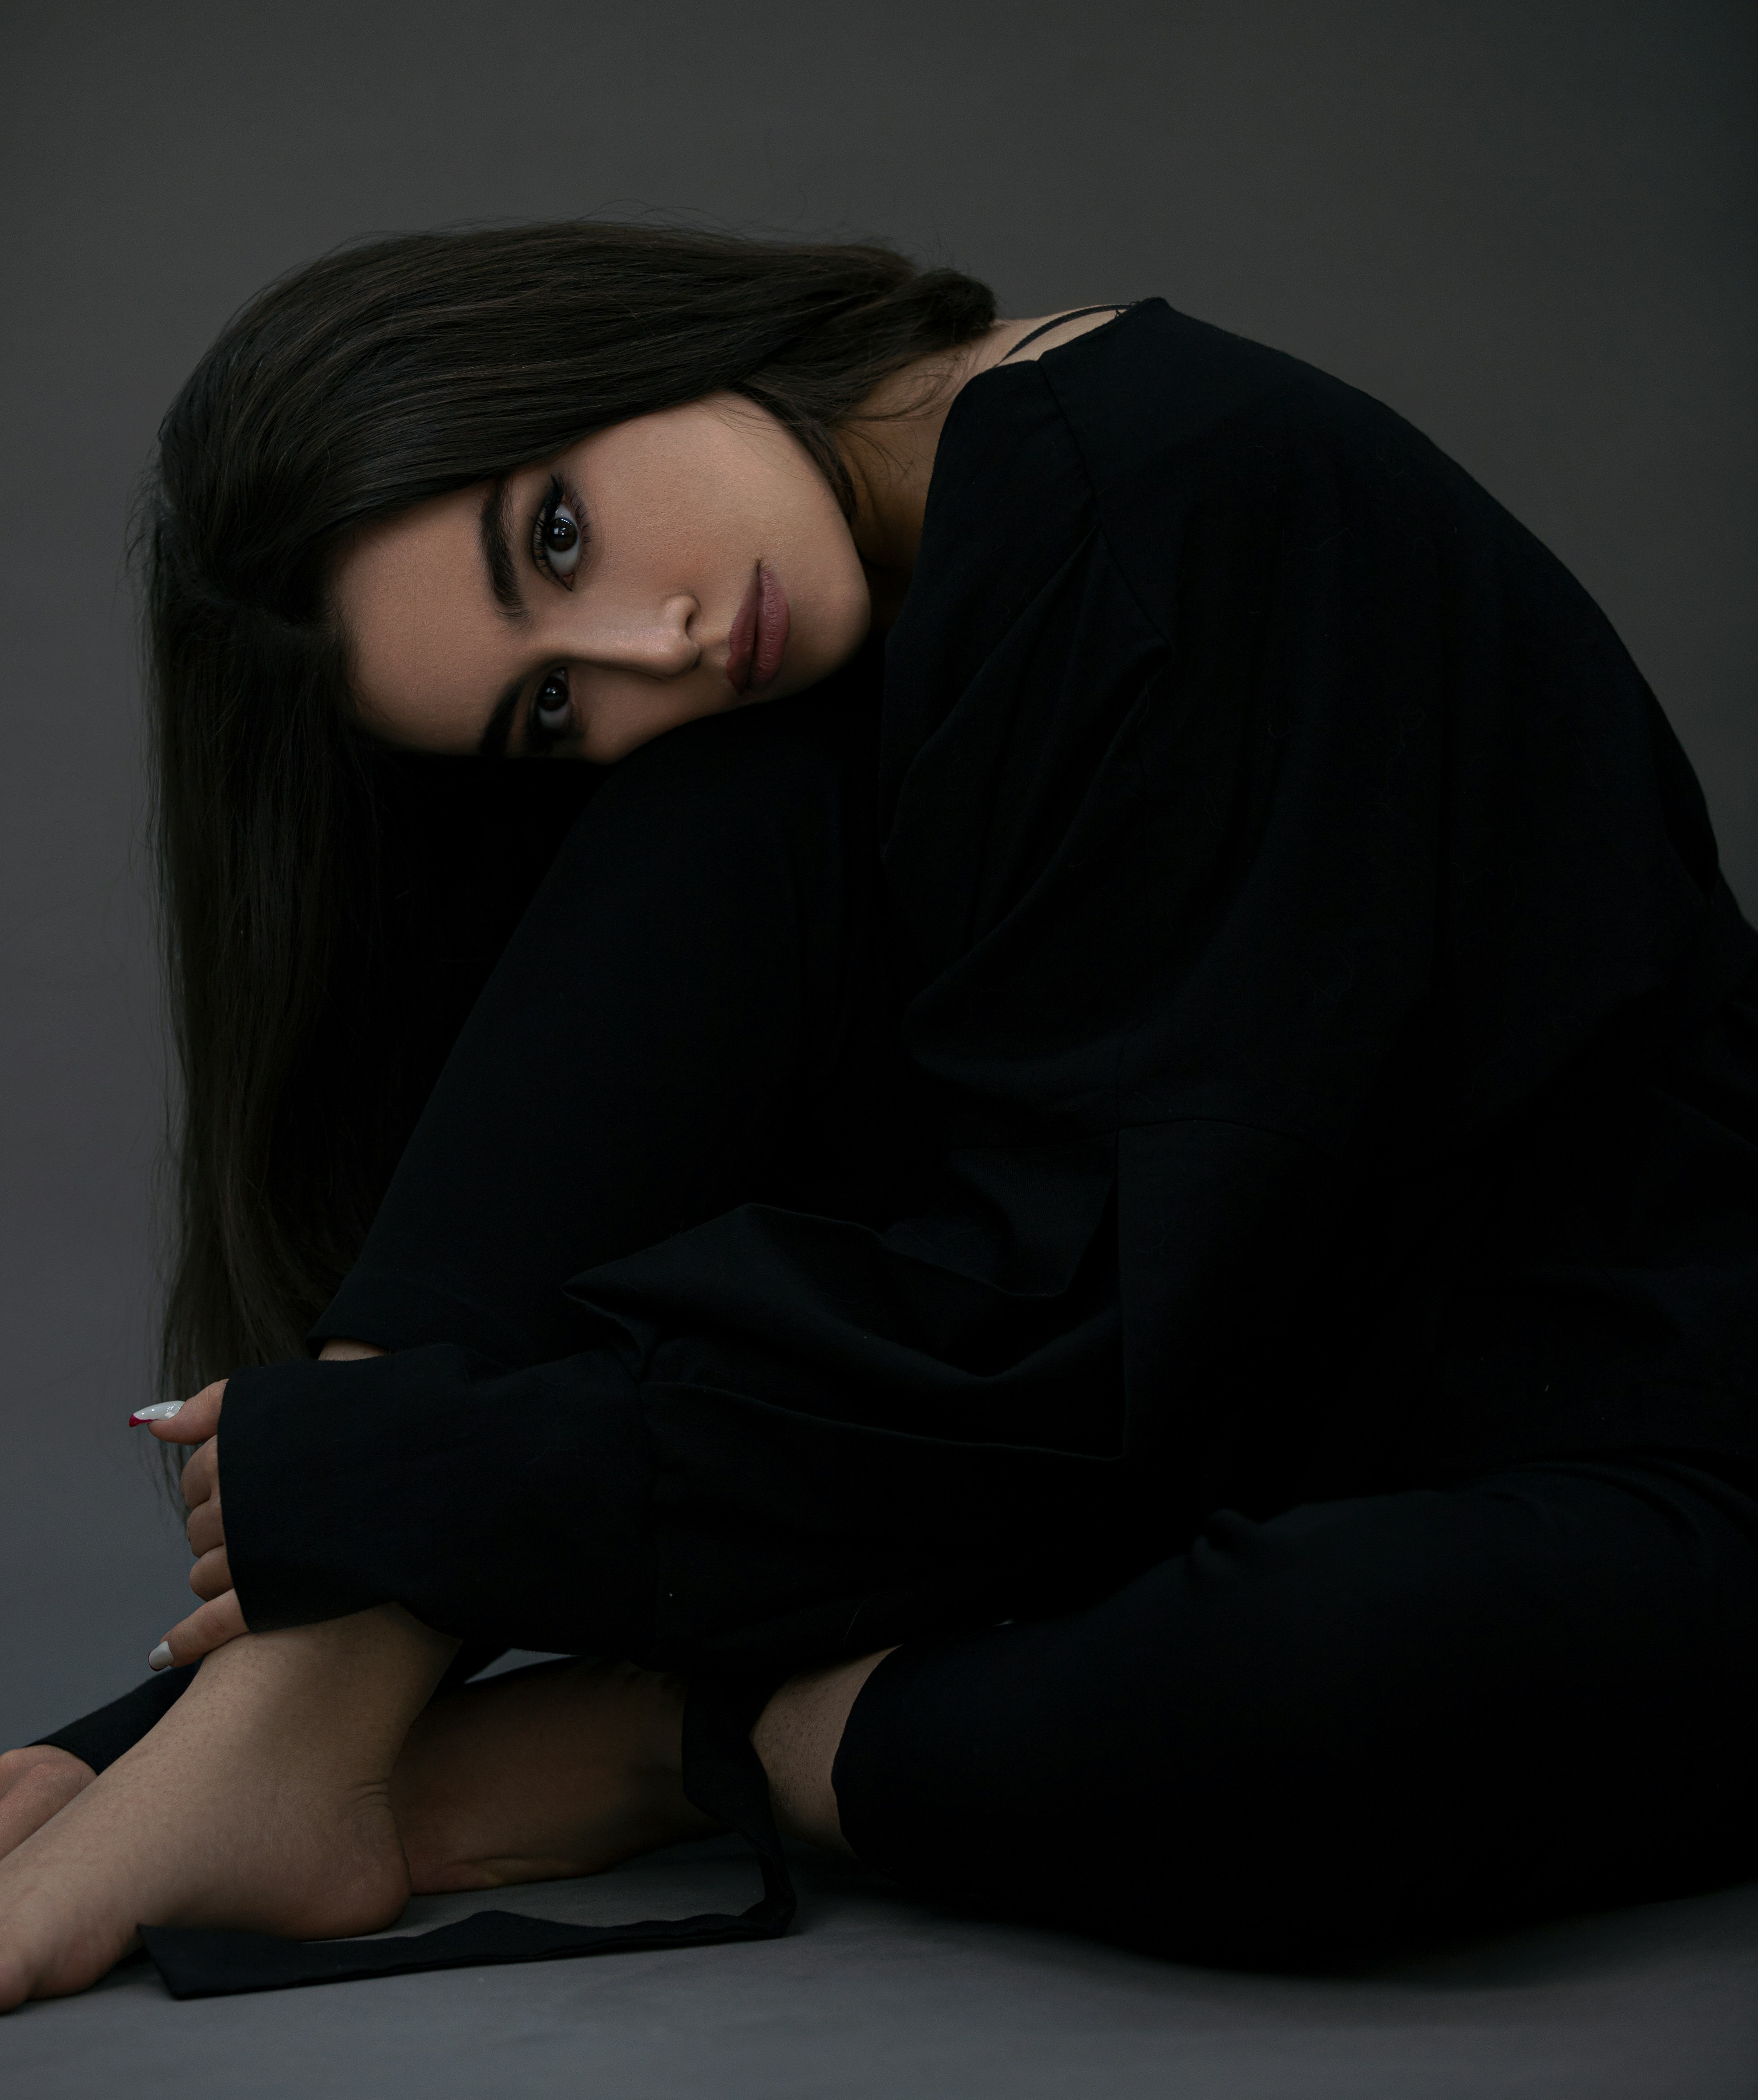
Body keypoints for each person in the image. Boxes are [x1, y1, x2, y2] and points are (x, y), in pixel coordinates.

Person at [1, 223, 1756, 2010]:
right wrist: (352, 1512)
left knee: (1311, 1690)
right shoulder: (871, 611)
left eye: (553, 533)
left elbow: (1094, 1357)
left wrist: (416, 1473)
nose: (651, 641)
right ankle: (283, 1711)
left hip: (1618, 1470)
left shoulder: (1168, 493)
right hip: (1234, 1413)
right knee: (716, 778)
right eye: (546, 702)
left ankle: (652, 1737)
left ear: (581, 352)